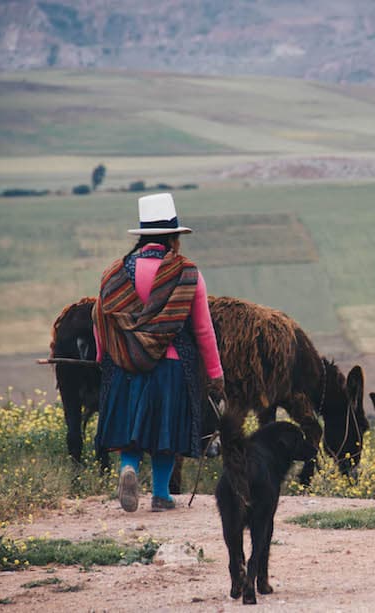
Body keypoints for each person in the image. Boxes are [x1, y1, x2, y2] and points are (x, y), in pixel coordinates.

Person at [93, 193, 224, 512]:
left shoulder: (114, 273)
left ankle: (129, 468)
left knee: (131, 428)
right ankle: (162, 495)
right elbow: (203, 328)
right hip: (172, 365)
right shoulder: (187, 272)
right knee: (166, 431)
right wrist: (216, 373)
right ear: (173, 238)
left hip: (126, 364)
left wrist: (102, 357)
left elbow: (100, 319)